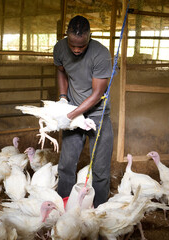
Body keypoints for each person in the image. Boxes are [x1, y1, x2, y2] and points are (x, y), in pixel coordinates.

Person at [53, 15, 113, 207]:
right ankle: (64, 209)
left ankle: (99, 212)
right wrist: (63, 98)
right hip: (71, 109)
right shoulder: (60, 48)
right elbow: (61, 70)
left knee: (101, 169)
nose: (77, 50)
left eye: (82, 46)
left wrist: (68, 116)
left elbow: (97, 95)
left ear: (89, 37)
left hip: (97, 114)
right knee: (66, 165)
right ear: (67, 37)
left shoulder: (101, 54)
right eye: (73, 45)